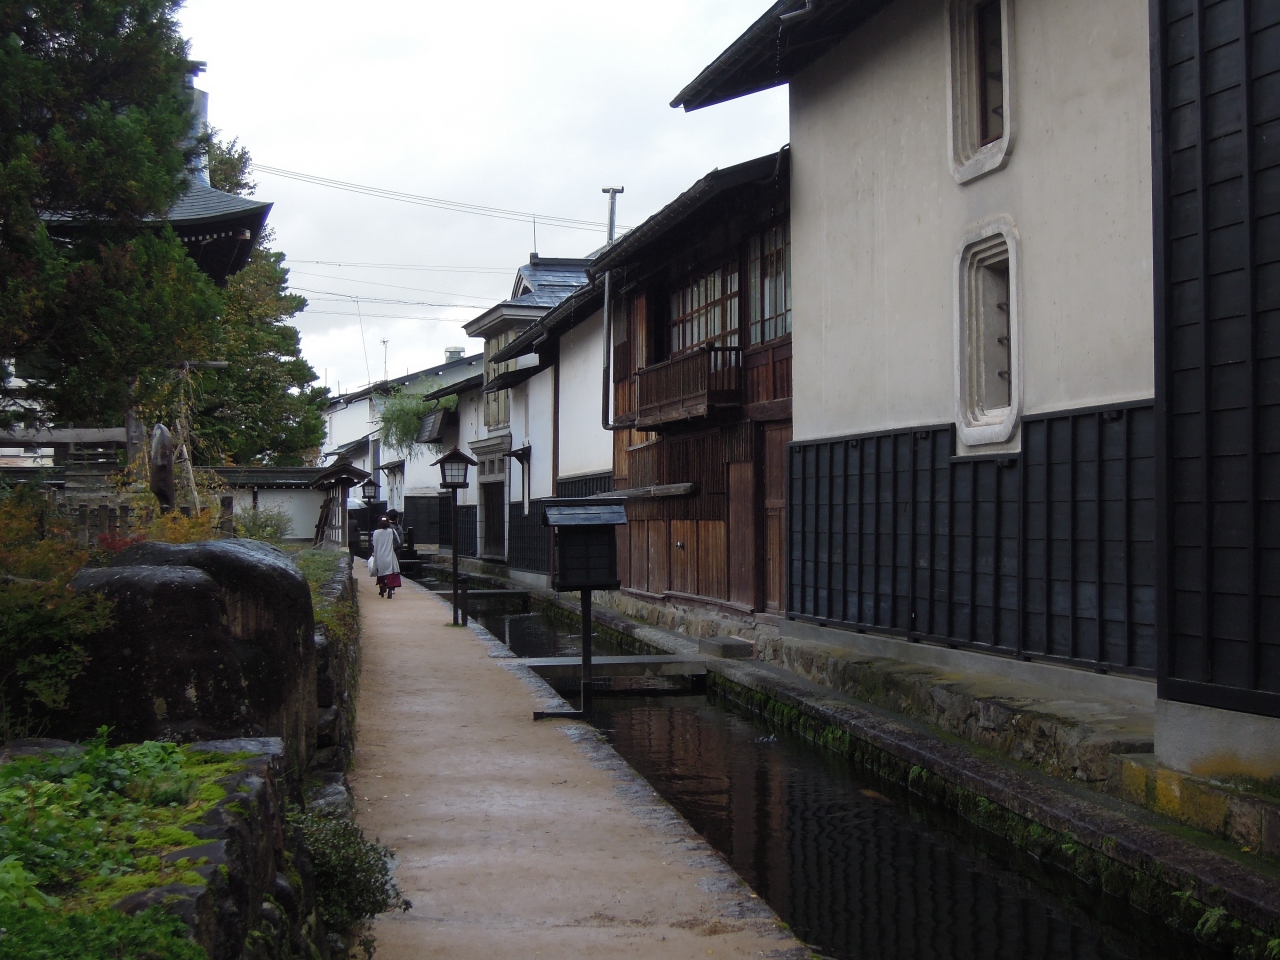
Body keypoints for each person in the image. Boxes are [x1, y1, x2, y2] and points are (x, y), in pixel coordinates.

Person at [369, 516, 402, 599]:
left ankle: (381, 588)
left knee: (380, 574)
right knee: (391, 573)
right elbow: (398, 543)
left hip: (379, 556)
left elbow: (373, 544)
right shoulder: (391, 531)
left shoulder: (375, 533)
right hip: (389, 555)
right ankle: (390, 589)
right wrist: (392, 549)